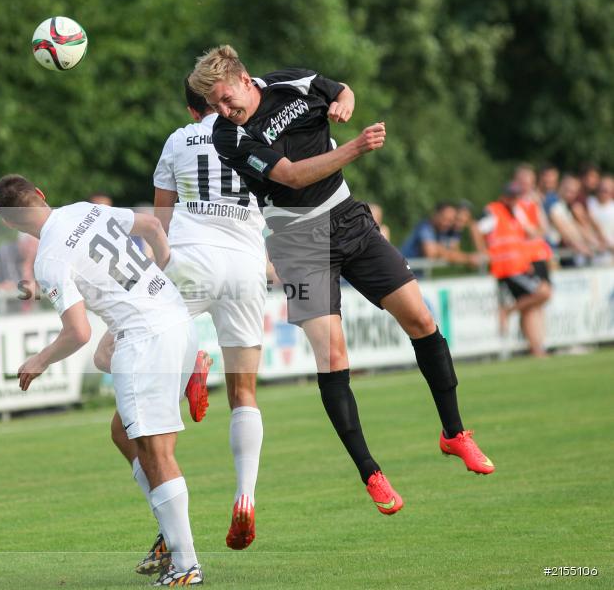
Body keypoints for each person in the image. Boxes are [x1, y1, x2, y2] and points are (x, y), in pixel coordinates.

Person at [189, 44, 494, 516]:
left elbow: (337, 89)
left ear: (245, 79)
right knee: (333, 355)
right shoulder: (229, 138)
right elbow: (289, 177)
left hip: (349, 220)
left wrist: (345, 101)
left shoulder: (290, 81)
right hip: (297, 242)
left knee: (421, 320)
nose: (223, 111)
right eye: (215, 107)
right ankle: (371, 472)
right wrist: (355, 146)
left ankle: (455, 434)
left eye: (227, 99)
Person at [0, 174, 204, 586]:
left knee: (156, 453)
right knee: (123, 432)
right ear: (40, 193)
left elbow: (77, 333)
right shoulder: (82, 209)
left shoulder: (49, 259)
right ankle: (170, 529)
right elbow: (154, 227)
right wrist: (158, 272)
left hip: (147, 338)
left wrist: (41, 359)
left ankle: (186, 564)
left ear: (10, 223)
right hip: (175, 317)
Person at [96, 79, 267, 560]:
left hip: (190, 261)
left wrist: (154, 278)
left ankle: (170, 533)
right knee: (245, 393)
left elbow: (160, 223)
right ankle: (246, 495)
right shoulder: (260, 134)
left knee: (118, 396)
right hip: (247, 269)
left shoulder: (178, 139)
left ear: (193, 111)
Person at [478, 184, 552, 357]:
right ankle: (508, 311)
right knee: (544, 292)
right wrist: (483, 252)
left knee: (530, 308)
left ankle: (536, 349)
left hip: (520, 266)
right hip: (507, 268)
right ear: (503, 196)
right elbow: (478, 228)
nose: (513, 199)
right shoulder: (494, 210)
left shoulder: (516, 213)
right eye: (510, 196)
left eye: (516, 196)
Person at [400, 202, 480, 267]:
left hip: (416, 275)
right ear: (435, 215)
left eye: (450, 221)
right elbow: (430, 253)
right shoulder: (425, 228)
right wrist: (468, 258)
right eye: (445, 219)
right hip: (404, 275)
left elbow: (454, 252)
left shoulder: (441, 230)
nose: (447, 224)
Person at [588, 175, 614, 252]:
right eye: (601, 189)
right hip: (589, 250)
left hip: (609, 252)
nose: (603, 192)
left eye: (606, 190)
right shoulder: (589, 202)